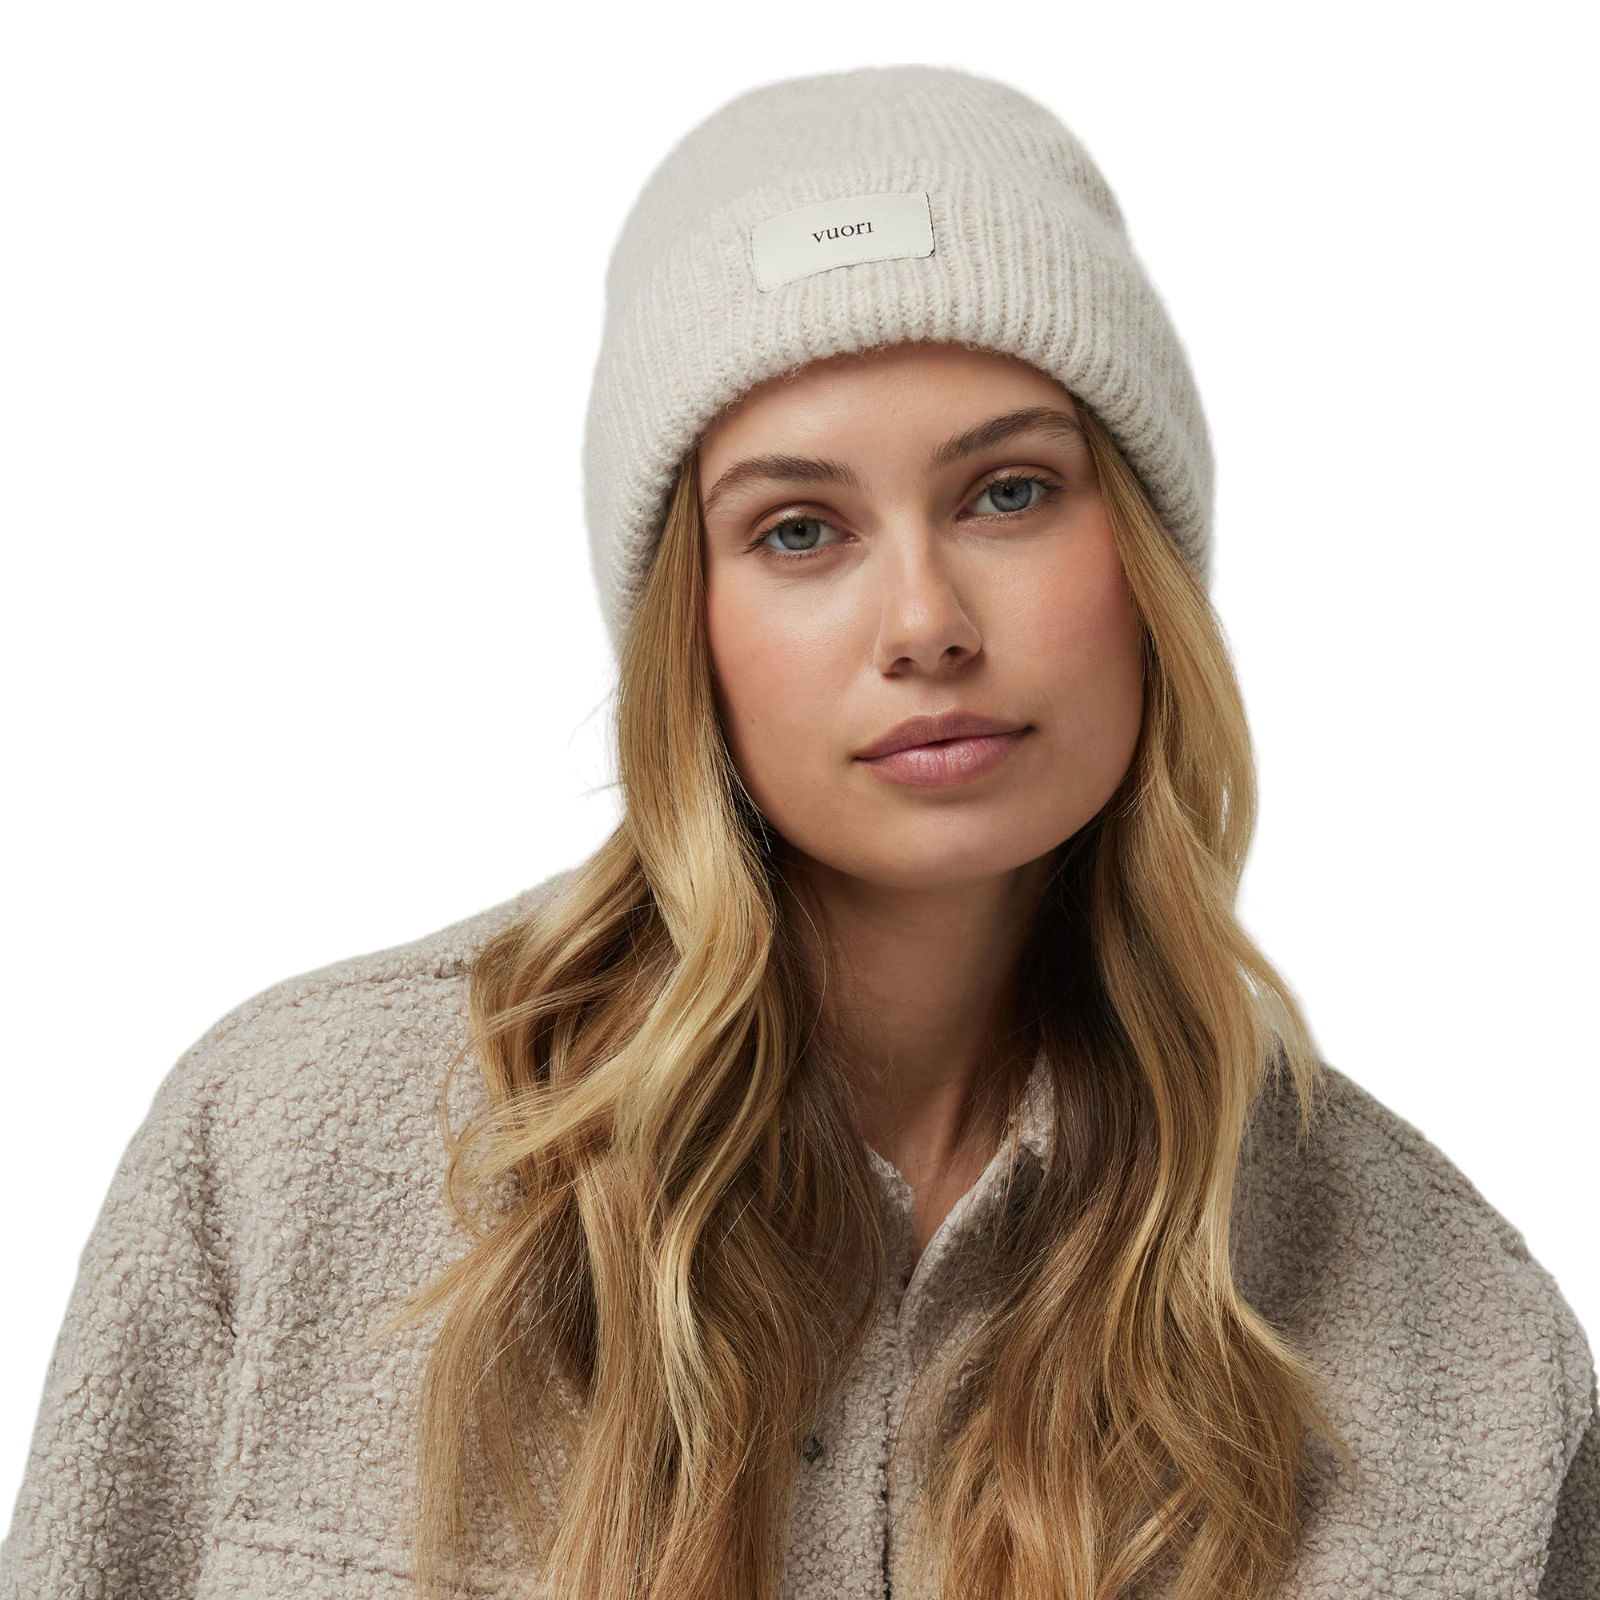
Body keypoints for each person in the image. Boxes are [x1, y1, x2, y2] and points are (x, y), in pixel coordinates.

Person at [1, 62, 1593, 1600]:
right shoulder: (288, 1155)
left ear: (1149, 565)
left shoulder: (1461, 1348)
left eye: (1010, 493)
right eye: (800, 529)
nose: (925, 622)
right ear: (685, 630)